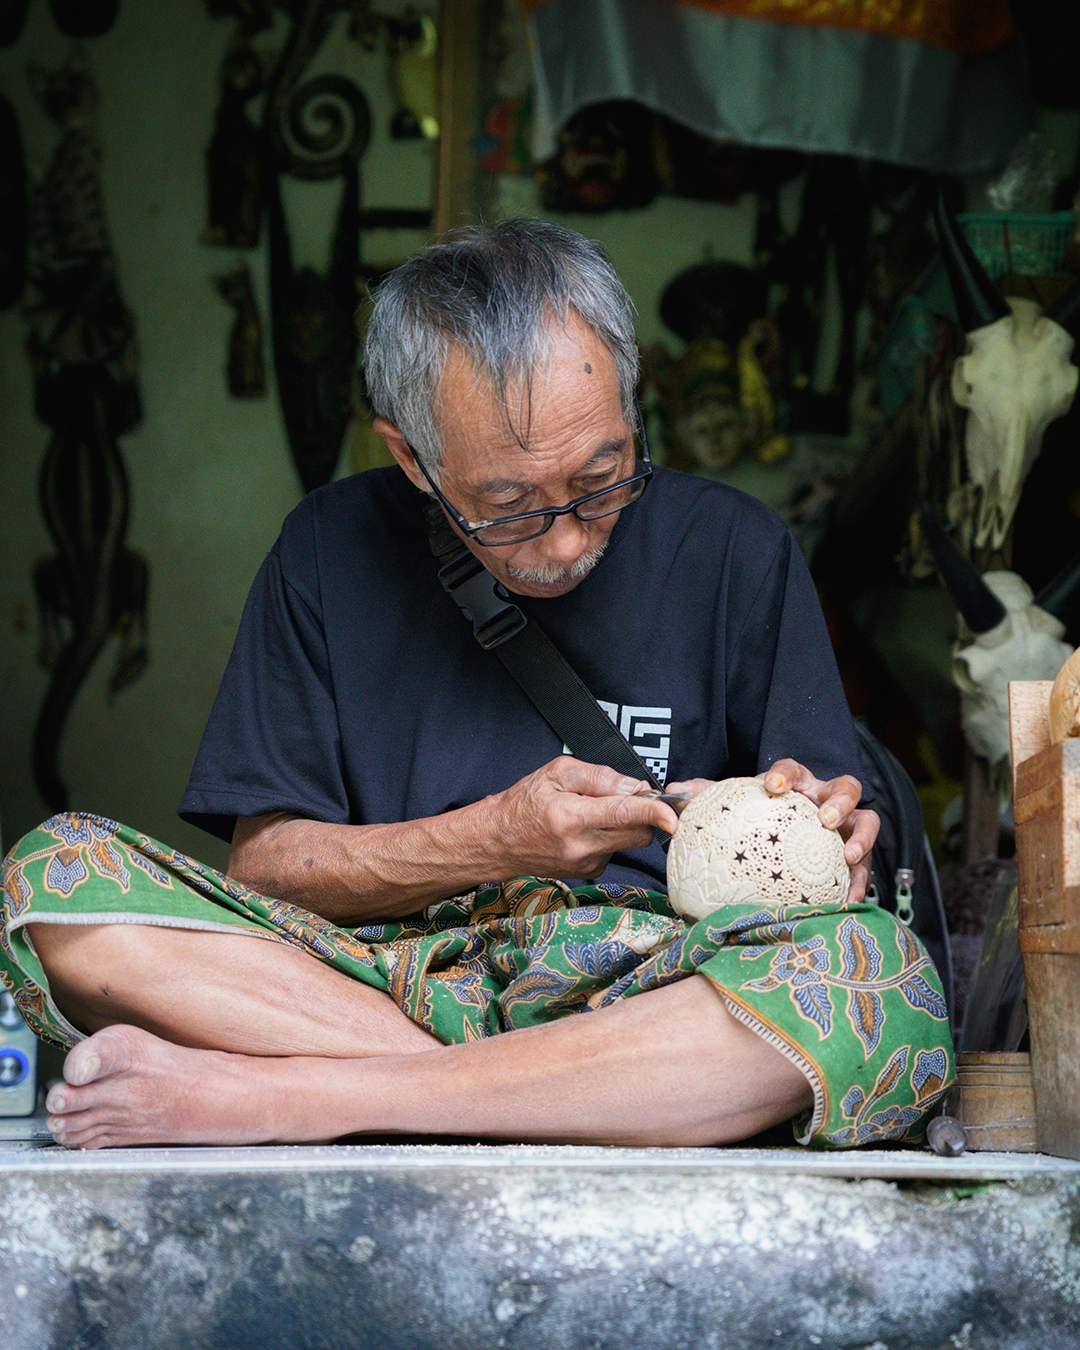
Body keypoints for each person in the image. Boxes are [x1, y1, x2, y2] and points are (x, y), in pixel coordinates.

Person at [0, 220, 952, 1150]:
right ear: (411, 456)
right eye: (509, 508)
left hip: (651, 984)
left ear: (631, 396)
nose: (570, 538)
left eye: (602, 475)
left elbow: (825, 862)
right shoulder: (326, 552)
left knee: (877, 977)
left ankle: (302, 1097)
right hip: (376, 980)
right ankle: (583, 1097)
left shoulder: (738, 549)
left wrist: (819, 836)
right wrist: (495, 839)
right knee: (55, 886)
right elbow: (264, 873)